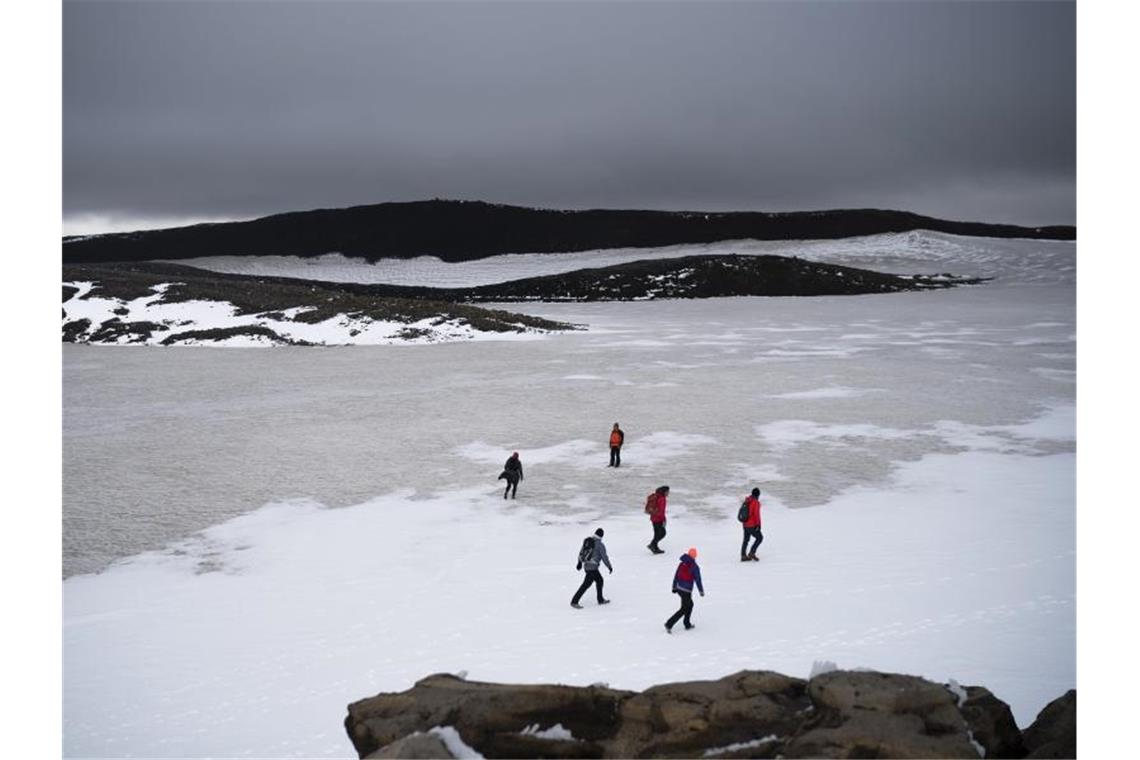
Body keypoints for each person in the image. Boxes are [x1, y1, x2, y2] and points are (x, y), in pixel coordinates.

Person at [571, 528, 613, 608]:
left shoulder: (588, 541)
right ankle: (574, 601)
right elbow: (604, 557)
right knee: (586, 584)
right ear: (601, 536)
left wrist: (579, 563)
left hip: (587, 566)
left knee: (600, 580)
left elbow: (581, 552)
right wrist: (609, 566)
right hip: (592, 568)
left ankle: (600, 600)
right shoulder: (600, 545)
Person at [665, 547, 704, 633]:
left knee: (689, 605)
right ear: (695, 556)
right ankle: (669, 624)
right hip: (686, 591)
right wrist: (701, 591)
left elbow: (676, 575)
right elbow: (698, 580)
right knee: (685, 608)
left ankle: (687, 623)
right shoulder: (694, 566)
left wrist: (674, 587)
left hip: (679, 589)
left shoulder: (682, 564)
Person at [740, 487, 764, 561]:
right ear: (758, 495)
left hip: (745, 524)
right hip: (752, 525)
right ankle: (752, 553)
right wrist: (758, 525)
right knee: (760, 538)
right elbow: (756, 515)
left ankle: (743, 556)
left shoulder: (747, 500)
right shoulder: (756, 502)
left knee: (746, 540)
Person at [645, 485, 669, 554]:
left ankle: (655, 548)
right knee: (662, 533)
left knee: (656, 534)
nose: (668, 493)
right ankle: (652, 544)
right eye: (667, 492)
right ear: (664, 492)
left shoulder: (656, 496)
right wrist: (664, 519)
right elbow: (661, 511)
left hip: (653, 518)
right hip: (658, 519)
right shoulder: (662, 499)